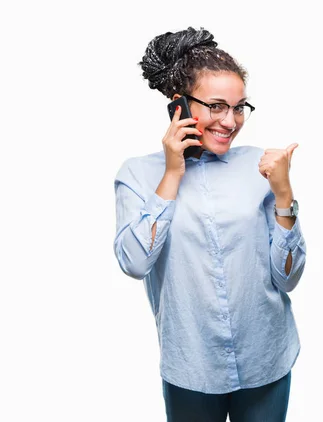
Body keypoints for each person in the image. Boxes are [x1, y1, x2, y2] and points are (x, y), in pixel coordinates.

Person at [113, 26, 306, 422]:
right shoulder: (137, 174)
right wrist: (171, 175)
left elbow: (287, 279)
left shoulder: (262, 169)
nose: (230, 121)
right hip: (193, 366)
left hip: (265, 357)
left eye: (239, 107)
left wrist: (285, 195)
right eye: (216, 105)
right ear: (180, 105)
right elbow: (134, 263)